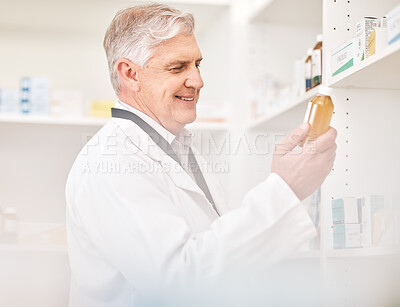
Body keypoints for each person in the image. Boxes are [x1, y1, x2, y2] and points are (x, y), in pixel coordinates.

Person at [65, 3, 337, 306]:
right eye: (178, 67)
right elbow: (177, 281)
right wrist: (285, 188)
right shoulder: (112, 162)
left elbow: (214, 256)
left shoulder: (179, 148)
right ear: (130, 74)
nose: (197, 80)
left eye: (197, 64)